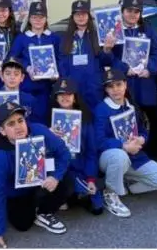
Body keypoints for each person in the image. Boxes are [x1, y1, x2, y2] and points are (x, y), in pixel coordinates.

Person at [0, 102, 72, 247]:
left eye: (20, 120)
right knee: (23, 224)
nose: (18, 127)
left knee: (67, 184)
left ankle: (44, 211)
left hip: (41, 182)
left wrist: (56, 176)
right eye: (11, 124)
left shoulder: (39, 130)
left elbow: (64, 153)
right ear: (2, 131)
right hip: (17, 193)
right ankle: (33, 208)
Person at [93, 68, 157, 218]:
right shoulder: (101, 109)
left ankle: (128, 185)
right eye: (110, 86)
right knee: (119, 156)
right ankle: (111, 192)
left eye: (118, 85)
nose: (115, 90)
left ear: (125, 84)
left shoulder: (131, 105)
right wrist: (123, 146)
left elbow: (143, 129)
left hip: (135, 157)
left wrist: (142, 139)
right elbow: (99, 141)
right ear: (106, 89)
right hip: (109, 157)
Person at [110, 0, 157, 159]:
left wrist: (150, 69)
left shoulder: (147, 30)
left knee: (148, 121)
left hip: (145, 84)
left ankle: (150, 156)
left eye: (136, 12)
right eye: (129, 11)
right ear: (122, 11)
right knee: (125, 121)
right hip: (124, 85)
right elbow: (109, 57)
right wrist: (124, 69)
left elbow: (156, 53)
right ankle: (128, 156)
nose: (132, 15)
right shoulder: (115, 31)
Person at [47, 78, 104, 216]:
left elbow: (91, 153)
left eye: (69, 94)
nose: (65, 97)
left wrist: (90, 178)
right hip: (59, 168)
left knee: (97, 208)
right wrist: (48, 135)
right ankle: (73, 193)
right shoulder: (47, 122)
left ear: (75, 98)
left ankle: (78, 192)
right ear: (56, 98)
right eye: (61, 94)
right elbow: (44, 155)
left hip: (80, 167)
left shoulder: (85, 121)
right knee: (72, 186)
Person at [57, 0, 115, 111]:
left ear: (88, 16)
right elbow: (62, 62)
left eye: (83, 14)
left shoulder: (99, 35)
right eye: (77, 14)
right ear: (72, 17)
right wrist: (66, 82)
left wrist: (107, 50)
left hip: (94, 86)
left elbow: (106, 62)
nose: (80, 17)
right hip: (73, 87)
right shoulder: (65, 38)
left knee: (94, 117)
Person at [10, 1, 61, 120]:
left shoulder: (54, 38)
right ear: (29, 19)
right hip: (26, 86)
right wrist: (27, 67)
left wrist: (56, 73)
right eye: (34, 17)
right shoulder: (22, 38)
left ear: (46, 19)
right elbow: (13, 57)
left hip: (46, 87)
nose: (38, 20)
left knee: (43, 118)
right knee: (25, 118)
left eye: (41, 17)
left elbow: (61, 58)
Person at [0, 57, 38, 130]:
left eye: (16, 74)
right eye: (8, 74)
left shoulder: (30, 100)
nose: (12, 77)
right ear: (1, 76)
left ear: (22, 78)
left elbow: (36, 125)